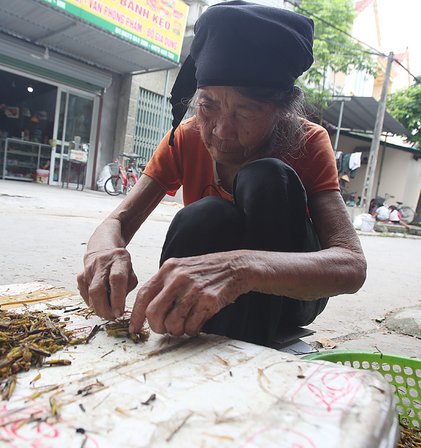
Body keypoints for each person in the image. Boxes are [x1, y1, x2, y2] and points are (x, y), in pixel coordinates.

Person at [77, 1, 366, 347]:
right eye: (208, 106)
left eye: (245, 113)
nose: (221, 131)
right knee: (205, 214)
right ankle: (181, 329)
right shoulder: (186, 136)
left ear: (280, 111)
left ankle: (250, 350)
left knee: (268, 177)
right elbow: (118, 221)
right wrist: (102, 253)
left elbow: (351, 266)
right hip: (205, 296)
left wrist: (239, 269)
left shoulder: (307, 142)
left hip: (289, 300)